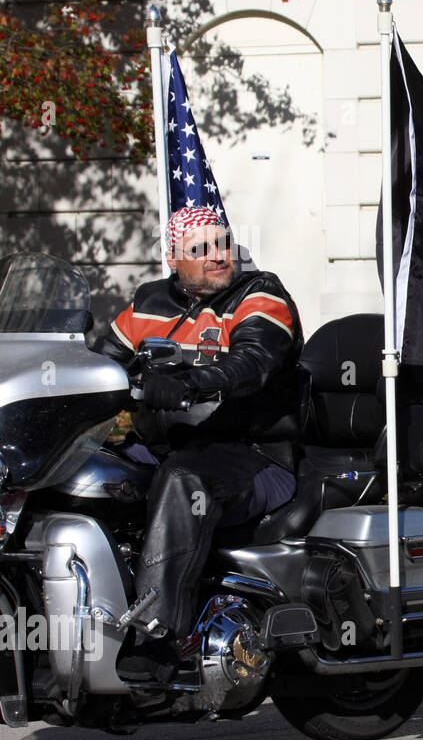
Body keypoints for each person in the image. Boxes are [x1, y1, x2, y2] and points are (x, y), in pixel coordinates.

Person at [97, 206, 304, 680]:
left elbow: (254, 360)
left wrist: (193, 382)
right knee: (86, 472)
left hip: (252, 457)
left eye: (224, 245)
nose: (218, 257)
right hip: (163, 448)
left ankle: (158, 639)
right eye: (200, 249)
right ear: (173, 257)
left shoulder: (260, 295)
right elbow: (98, 365)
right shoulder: (148, 304)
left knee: (181, 480)